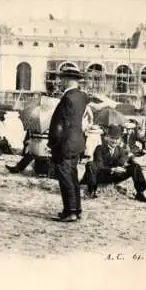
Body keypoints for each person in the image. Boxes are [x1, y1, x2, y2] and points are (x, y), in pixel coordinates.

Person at [47, 67, 88, 222]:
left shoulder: (67, 98)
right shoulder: (82, 96)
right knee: (72, 176)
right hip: (76, 142)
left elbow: (60, 124)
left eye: (62, 79)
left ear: (66, 80)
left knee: (65, 177)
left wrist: (53, 143)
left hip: (65, 143)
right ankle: (75, 210)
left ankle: (70, 211)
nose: (60, 82)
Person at [80, 124, 146, 202]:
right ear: (107, 138)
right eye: (112, 138)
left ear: (120, 139)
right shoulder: (99, 148)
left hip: (114, 177)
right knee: (90, 164)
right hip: (101, 176)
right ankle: (92, 191)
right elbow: (99, 166)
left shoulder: (121, 150)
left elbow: (127, 161)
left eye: (117, 139)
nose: (114, 141)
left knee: (135, 166)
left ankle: (140, 193)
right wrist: (113, 169)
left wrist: (132, 162)